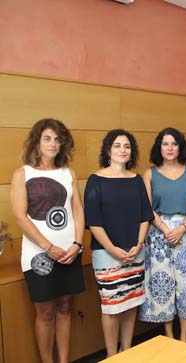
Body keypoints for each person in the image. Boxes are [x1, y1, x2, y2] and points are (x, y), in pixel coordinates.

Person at [11, 118, 85, 363]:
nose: (53, 143)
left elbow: (78, 210)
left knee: (65, 307)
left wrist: (77, 245)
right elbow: (20, 217)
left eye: (58, 139)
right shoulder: (22, 173)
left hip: (70, 252)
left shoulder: (68, 173)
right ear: (36, 142)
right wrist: (48, 247)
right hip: (39, 255)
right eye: (47, 138)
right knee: (45, 312)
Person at [84, 129, 153, 357]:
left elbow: (146, 215)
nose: (122, 150)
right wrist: (113, 249)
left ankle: (127, 352)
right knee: (112, 307)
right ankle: (112, 356)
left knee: (131, 303)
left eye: (127, 146)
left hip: (135, 252)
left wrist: (140, 244)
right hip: (106, 254)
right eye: (117, 146)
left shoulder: (136, 180)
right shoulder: (95, 180)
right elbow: (93, 222)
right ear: (108, 150)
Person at [138, 128, 186, 342]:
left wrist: (183, 227)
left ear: (180, 147)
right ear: (159, 147)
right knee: (163, 283)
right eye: (165, 144)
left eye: (174, 143)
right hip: (158, 236)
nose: (170, 148)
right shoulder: (149, 174)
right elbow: (146, 208)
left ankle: (184, 334)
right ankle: (168, 334)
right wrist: (166, 230)